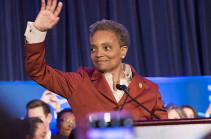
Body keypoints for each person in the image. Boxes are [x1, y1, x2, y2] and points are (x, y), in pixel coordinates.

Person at [25, 0, 167, 124]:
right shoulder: (78, 82)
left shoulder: (150, 90)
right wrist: (38, 31)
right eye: (93, 49)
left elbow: (165, 131)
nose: (98, 54)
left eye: (107, 48)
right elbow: (37, 71)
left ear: (123, 51)